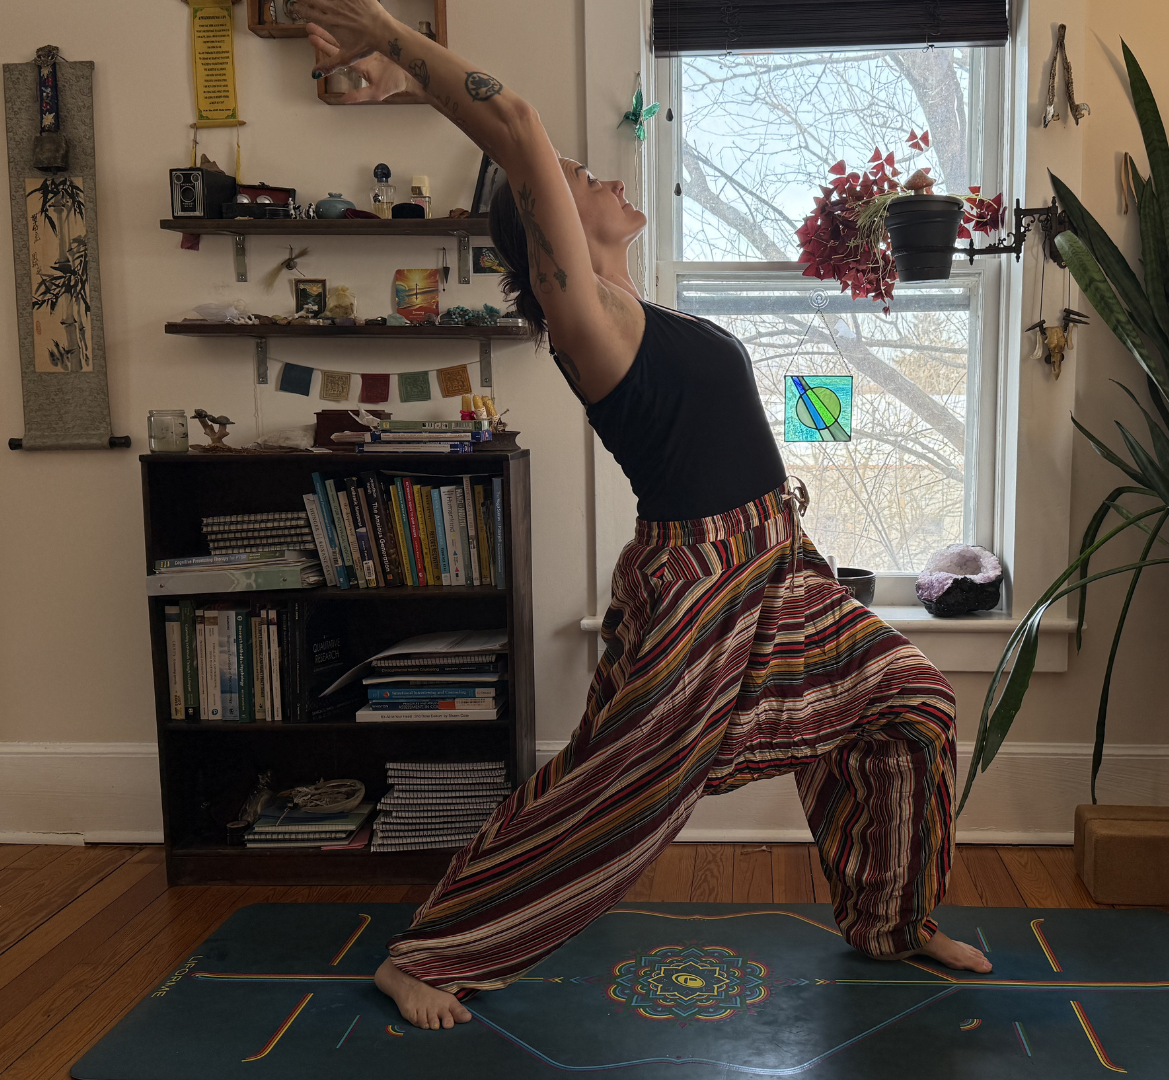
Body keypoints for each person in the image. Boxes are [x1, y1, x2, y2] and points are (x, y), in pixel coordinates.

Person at [296, 0, 991, 1033]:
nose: (605, 178)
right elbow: (518, 130)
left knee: (914, 704)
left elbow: (525, 146)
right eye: (581, 180)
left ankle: (891, 918)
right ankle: (429, 952)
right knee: (610, 798)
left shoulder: (644, 305)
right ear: (552, 233)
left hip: (776, 564)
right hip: (698, 590)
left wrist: (407, 75)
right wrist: (394, 39)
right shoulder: (588, 319)